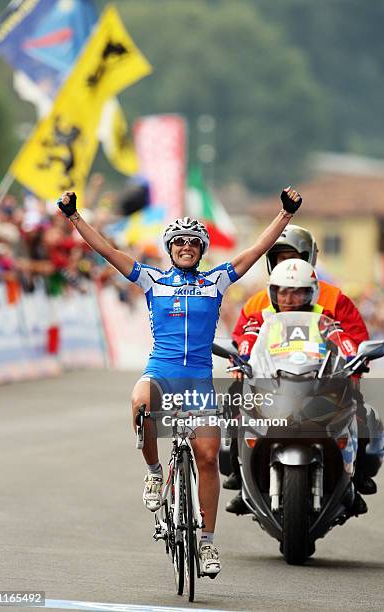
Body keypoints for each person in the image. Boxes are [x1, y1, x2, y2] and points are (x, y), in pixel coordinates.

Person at [56, 186, 302, 577]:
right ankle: (155, 473)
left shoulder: (216, 281)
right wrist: (74, 217)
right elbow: (107, 251)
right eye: (179, 242)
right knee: (140, 402)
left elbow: (254, 251)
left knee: (207, 458)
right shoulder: (152, 279)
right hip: (161, 373)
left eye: (193, 242)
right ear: (170, 248)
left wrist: (285, 214)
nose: (186, 246)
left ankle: (206, 544)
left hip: (198, 385)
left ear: (201, 249)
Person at [226, 258, 384, 517]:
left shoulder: (325, 320)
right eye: (283, 291)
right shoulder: (262, 319)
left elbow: (345, 342)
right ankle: (239, 474)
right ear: (273, 292)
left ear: (311, 292)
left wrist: (357, 358)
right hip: (276, 386)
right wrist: (238, 357)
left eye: (298, 291)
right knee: (235, 409)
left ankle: (357, 479)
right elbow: (245, 340)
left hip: (316, 386)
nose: (289, 298)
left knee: (361, 412)